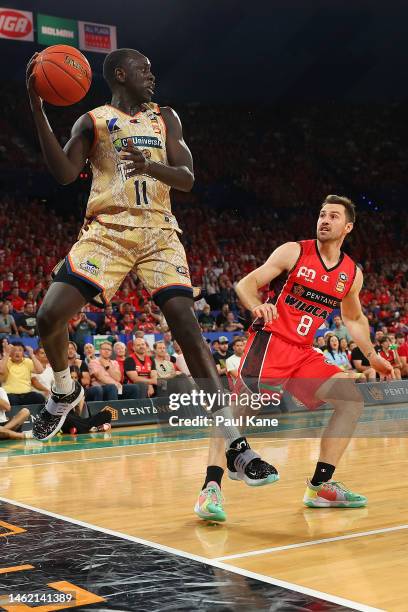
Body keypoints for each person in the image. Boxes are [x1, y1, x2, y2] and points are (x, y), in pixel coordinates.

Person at [27, 47, 235, 441]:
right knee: (48, 317)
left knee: (187, 327)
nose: (151, 77)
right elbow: (64, 174)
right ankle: (63, 389)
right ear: (120, 74)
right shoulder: (93, 122)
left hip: (158, 231)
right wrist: (37, 110)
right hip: (109, 231)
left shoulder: (166, 117)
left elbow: (187, 178)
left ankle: (230, 434)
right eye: (144, 70)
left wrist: (150, 166)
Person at [195, 195, 393, 522]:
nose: (324, 220)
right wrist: (255, 304)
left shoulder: (350, 273)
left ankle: (320, 486)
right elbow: (246, 284)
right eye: (321, 214)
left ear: (348, 227)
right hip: (270, 342)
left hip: (302, 352)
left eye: (333, 216)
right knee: (238, 412)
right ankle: (210, 488)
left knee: (351, 400)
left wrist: (372, 356)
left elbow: (354, 319)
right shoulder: (294, 251)